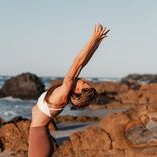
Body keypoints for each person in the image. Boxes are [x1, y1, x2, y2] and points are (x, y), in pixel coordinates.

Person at [28, 24, 109, 157]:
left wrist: (92, 38)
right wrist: (97, 42)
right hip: (40, 136)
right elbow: (83, 62)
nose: (84, 80)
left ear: (78, 90)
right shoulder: (67, 89)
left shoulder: (64, 92)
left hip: (39, 139)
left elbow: (77, 62)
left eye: (85, 84)